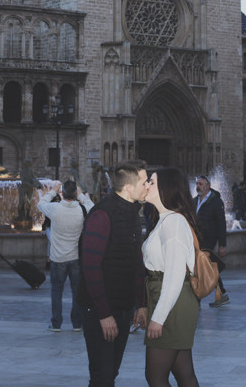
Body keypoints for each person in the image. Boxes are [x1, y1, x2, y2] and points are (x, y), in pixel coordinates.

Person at [79, 160, 149, 387]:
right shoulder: (102, 214)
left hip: (122, 308)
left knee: (111, 373)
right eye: (144, 182)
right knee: (102, 375)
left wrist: (141, 303)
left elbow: (136, 262)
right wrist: (104, 314)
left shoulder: (132, 213)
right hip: (99, 310)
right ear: (128, 187)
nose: (148, 186)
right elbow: (91, 267)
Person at [142, 168, 201, 387]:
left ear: (166, 188)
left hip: (172, 302)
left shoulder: (173, 223)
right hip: (169, 300)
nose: (146, 185)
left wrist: (158, 318)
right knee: (184, 373)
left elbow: (175, 274)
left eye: (152, 182)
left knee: (155, 377)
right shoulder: (165, 219)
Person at [37, 180, 93, 331]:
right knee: (77, 292)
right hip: (75, 258)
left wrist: (53, 191)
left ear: (62, 193)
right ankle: (77, 323)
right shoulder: (82, 209)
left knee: (56, 291)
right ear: (75, 194)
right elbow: (92, 206)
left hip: (58, 258)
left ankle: (56, 323)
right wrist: (81, 195)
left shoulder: (55, 209)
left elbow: (40, 204)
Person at [192, 175, 228, 307]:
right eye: (197, 184)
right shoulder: (195, 200)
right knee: (207, 267)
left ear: (207, 186)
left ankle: (198, 299)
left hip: (209, 238)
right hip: (197, 239)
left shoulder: (215, 201)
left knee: (201, 266)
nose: (198, 186)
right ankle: (221, 293)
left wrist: (222, 244)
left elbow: (221, 223)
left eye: (201, 184)